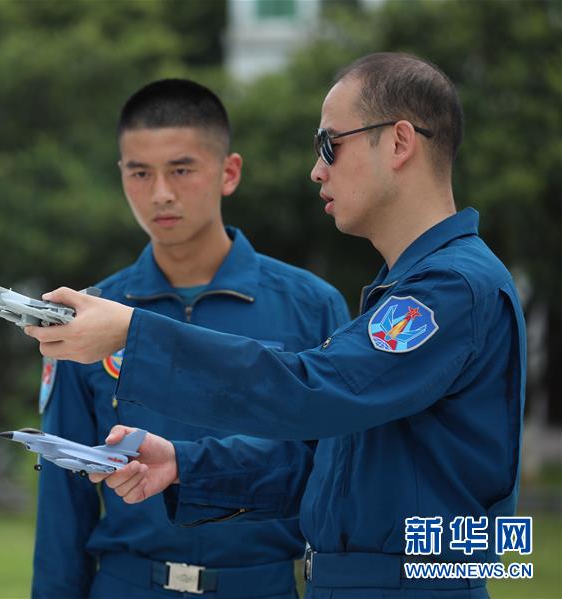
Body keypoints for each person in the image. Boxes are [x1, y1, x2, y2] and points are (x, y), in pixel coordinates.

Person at [26, 53, 527, 598]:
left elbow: (310, 391)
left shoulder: (448, 290)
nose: (317, 169)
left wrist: (133, 334)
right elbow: (329, 462)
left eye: (330, 144)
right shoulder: (413, 287)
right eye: (140, 172)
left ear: (400, 142)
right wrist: (183, 466)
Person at [32, 79, 350, 599]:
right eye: (140, 172)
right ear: (121, 176)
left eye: (181, 169)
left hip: (261, 584)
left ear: (229, 172)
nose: (160, 193)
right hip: (128, 582)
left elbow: (333, 472)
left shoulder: (311, 306)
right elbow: (62, 494)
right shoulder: (89, 314)